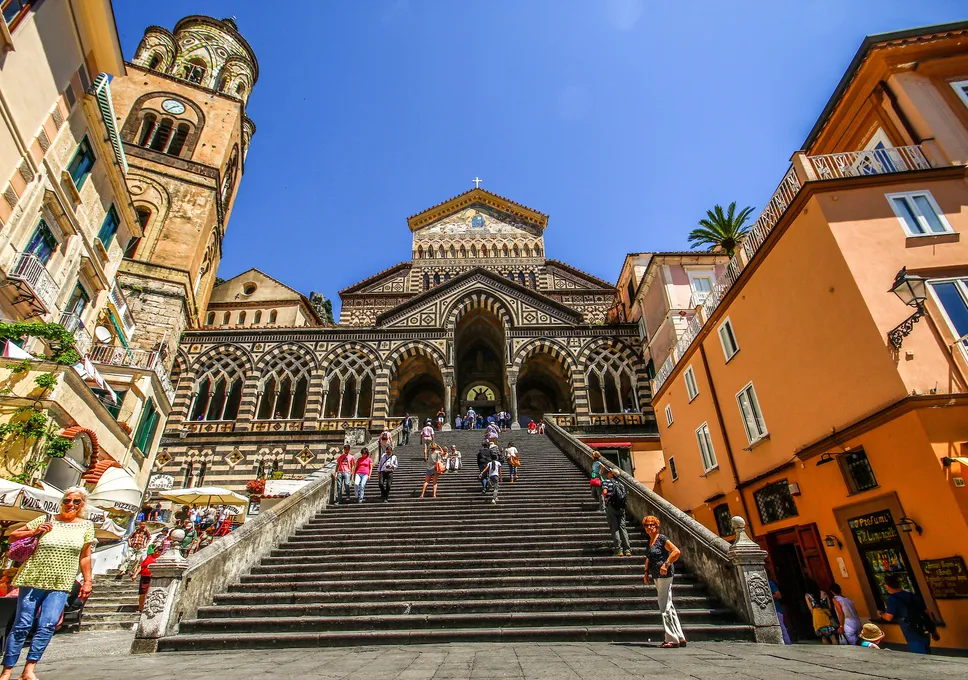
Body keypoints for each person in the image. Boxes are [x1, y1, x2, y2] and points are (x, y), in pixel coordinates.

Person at [1, 487, 95, 680]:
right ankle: (7, 670)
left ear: (82, 505)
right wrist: (35, 531)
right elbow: (12, 537)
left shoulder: (86, 526)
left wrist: (88, 581)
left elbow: (85, 557)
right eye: (67, 500)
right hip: (32, 578)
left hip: (61, 583)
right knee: (22, 624)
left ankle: (29, 669)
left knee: (48, 625)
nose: (70, 504)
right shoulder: (47, 519)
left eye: (76, 502)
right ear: (62, 502)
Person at [642, 515, 685, 648]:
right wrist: (646, 572)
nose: (649, 527)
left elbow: (676, 551)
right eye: (647, 525)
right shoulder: (650, 541)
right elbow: (648, 558)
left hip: (665, 574)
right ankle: (680, 636)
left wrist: (666, 564)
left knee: (664, 604)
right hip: (656, 575)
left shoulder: (662, 539)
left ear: (657, 525)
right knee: (669, 605)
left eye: (652, 525)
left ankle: (671, 639)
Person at [878, 574, 939, 654]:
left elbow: (889, 617)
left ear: (887, 586)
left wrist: (881, 614)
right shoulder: (912, 596)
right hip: (923, 627)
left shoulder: (893, 599)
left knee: (920, 655)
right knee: (927, 651)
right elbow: (928, 612)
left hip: (910, 630)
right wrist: (934, 631)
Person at [601, 467, 631, 556]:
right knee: (623, 528)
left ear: (612, 474)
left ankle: (619, 550)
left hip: (611, 507)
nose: (608, 473)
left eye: (610, 472)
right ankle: (628, 550)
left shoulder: (606, 482)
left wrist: (605, 499)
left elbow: (605, 492)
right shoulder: (621, 484)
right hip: (621, 508)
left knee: (615, 528)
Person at [804, 579, 838, 644]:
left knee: (823, 637)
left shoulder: (808, 596)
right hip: (826, 614)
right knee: (832, 636)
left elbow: (810, 608)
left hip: (817, 615)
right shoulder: (824, 593)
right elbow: (830, 606)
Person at [769, 575, 791, 645]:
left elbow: (778, 595)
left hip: (777, 609)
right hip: (769, 610)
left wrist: (767, 597)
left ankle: (787, 643)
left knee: (781, 627)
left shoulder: (770, 583)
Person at [136, 547, 158, 612]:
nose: (156, 553)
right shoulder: (149, 557)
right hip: (144, 576)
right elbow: (142, 565)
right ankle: (140, 607)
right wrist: (135, 574)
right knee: (142, 592)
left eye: (158, 552)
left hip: (153, 577)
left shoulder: (160, 559)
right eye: (155, 551)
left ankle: (148, 606)